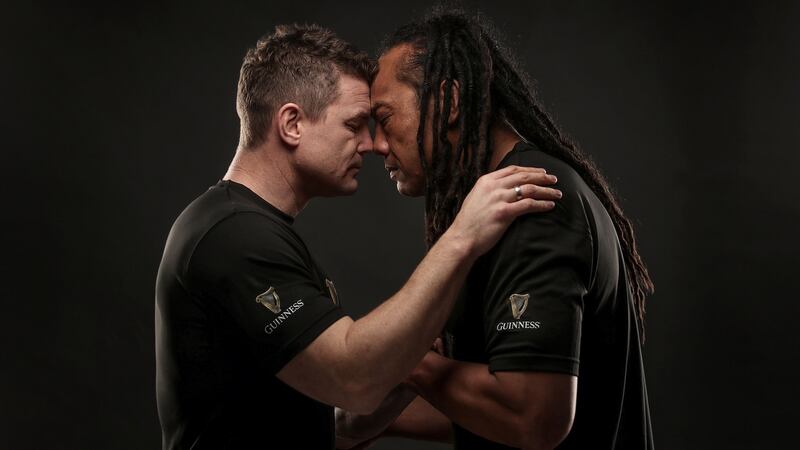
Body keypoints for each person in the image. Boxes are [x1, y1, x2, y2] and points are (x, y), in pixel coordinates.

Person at [154, 23, 562, 449]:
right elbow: (352, 379)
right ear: (292, 123)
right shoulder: (231, 235)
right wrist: (464, 234)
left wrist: (403, 372)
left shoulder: (260, 231)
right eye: (354, 125)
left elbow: (339, 426)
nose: (370, 144)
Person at [336, 11, 655, 450]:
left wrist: (403, 359)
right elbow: (487, 409)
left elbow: (533, 416)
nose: (376, 144)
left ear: (447, 103)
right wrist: (363, 414)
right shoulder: (484, 209)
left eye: (385, 117)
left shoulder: (532, 199)